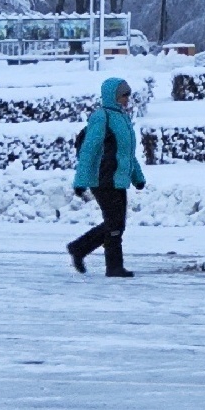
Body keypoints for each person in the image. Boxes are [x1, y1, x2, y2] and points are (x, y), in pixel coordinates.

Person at [68, 77, 147, 278]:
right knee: (114, 223)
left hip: (117, 179)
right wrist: (81, 180)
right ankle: (112, 266)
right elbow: (89, 150)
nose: (127, 99)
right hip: (102, 178)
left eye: (128, 94)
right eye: (123, 95)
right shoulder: (101, 117)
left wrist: (137, 176)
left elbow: (127, 153)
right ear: (112, 96)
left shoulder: (123, 118)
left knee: (117, 224)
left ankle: (79, 248)